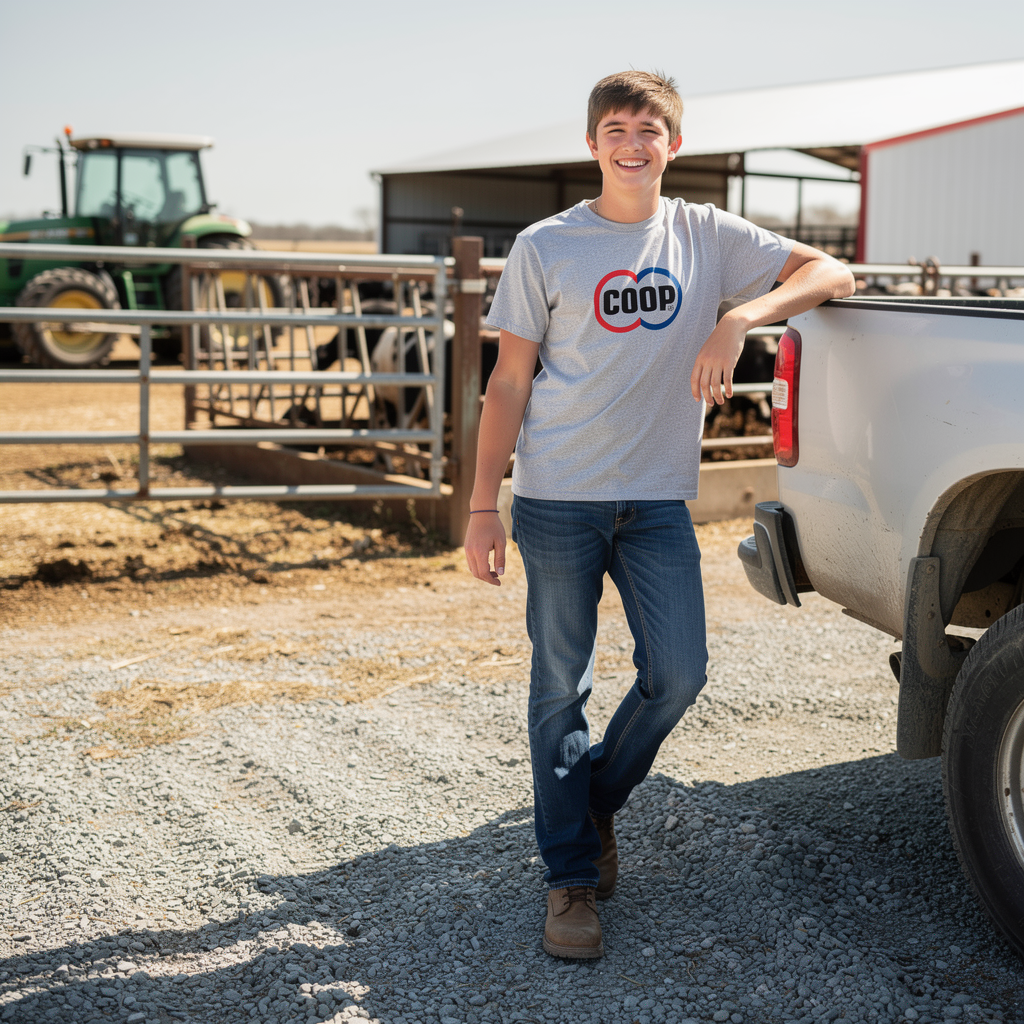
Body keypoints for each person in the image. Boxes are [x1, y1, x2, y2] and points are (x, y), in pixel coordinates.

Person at [464, 70, 855, 959]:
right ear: (593, 142)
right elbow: (509, 380)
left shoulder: (708, 235)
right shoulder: (546, 244)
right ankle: (569, 881)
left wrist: (741, 317)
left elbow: (836, 270)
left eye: (649, 128)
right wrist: (484, 504)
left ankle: (592, 798)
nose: (632, 143)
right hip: (559, 499)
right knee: (558, 686)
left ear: (673, 144)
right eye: (616, 128)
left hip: (656, 502)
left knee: (678, 674)